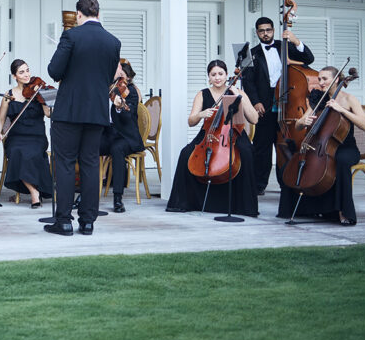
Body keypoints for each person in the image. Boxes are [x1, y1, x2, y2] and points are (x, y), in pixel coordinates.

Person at [44, 0, 120, 236]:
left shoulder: (71, 36)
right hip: (97, 111)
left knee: (65, 164)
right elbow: (108, 78)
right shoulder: (113, 42)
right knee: (90, 164)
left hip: (69, 111)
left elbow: (54, 70)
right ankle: (88, 222)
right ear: (98, 13)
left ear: (78, 14)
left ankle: (64, 221)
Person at [166, 59, 260, 216]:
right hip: (209, 133)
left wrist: (240, 96)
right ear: (209, 77)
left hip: (233, 134)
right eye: (213, 74)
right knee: (185, 153)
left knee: (246, 153)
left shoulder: (237, 92)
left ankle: (244, 206)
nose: (217, 77)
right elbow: (191, 121)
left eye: (220, 74)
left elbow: (254, 119)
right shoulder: (202, 94)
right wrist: (201, 114)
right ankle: (185, 201)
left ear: (227, 75)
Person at [277, 66, 365, 225]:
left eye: (324, 79)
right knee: (295, 164)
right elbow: (299, 124)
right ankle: (307, 209)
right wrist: (302, 122)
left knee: (341, 161)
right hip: (320, 145)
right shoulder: (318, 98)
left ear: (336, 79)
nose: (320, 82)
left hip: (345, 147)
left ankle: (343, 211)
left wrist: (341, 110)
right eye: (319, 79)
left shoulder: (348, 99)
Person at [243, 16, 315, 195]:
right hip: (265, 104)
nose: (265, 34)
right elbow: (248, 81)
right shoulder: (249, 53)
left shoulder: (286, 47)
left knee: (286, 146)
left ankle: (287, 184)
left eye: (268, 30)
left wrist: (296, 40)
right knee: (262, 146)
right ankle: (259, 185)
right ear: (257, 32)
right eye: (261, 31)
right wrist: (255, 102)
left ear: (273, 30)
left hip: (289, 103)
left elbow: (309, 58)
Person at [0, 59, 52, 208]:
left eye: (27, 70)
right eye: (21, 72)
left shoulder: (39, 91)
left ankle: (33, 191)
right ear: (14, 76)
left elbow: (49, 114)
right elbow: (1, 119)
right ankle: (34, 192)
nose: (26, 75)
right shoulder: (9, 94)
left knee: (32, 152)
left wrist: (45, 99)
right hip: (16, 137)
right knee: (18, 151)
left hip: (37, 136)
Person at [101, 59, 144, 213]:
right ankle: (86, 194)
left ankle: (117, 198)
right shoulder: (104, 89)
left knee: (117, 149)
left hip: (126, 136)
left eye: (123, 76)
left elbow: (129, 117)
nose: (120, 79)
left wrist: (120, 107)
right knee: (89, 146)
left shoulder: (130, 91)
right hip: (108, 133)